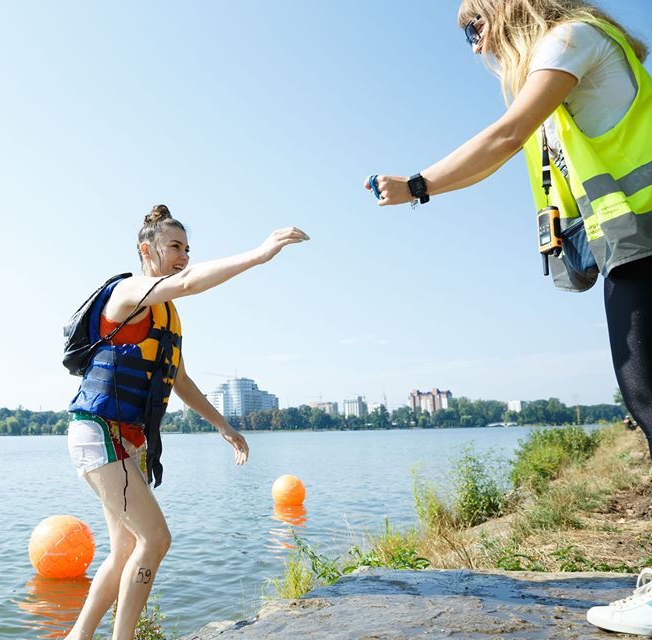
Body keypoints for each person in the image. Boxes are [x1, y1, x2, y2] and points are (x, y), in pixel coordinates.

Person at [365, 0, 650, 635]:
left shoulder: (570, 39)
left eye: (474, 26)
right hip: (631, 244)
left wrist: (416, 185)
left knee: (650, 400)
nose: (473, 47)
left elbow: (503, 138)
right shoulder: (580, 46)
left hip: (646, 241)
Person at [63, 205, 308, 640]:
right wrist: (259, 253)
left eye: (187, 249)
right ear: (147, 249)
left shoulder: (165, 314)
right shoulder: (127, 293)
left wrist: (223, 426)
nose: (183, 256)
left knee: (123, 551)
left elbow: (178, 378)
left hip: (126, 440)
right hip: (99, 433)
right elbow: (190, 282)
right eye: (174, 246)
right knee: (155, 540)